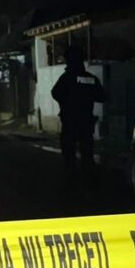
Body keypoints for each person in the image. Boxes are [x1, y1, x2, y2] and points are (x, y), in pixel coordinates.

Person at [50, 47, 104, 185]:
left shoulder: (66, 78)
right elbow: (102, 96)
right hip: (85, 121)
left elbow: (55, 93)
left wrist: (67, 102)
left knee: (69, 154)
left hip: (70, 121)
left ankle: (71, 181)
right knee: (87, 152)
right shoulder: (90, 78)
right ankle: (89, 180)